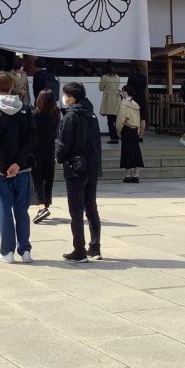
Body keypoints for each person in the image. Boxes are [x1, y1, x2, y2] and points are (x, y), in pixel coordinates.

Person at [0, 71, 37, 264]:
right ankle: (25, 250)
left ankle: (7, 251)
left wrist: (5, 165)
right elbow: (32, 137)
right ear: (12, 85)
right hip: (22, 168)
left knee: (4, 209)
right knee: (22, 210)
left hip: (1, 170)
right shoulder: (24, 109)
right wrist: (18, 163)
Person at [55, 81, 103, 262]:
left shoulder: (70, 117)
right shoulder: (91, 115)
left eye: (65, 95)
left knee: (76, 211)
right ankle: (95, 247)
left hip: (76, 168)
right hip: (92, 166)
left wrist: (59, 158)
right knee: (91, 207)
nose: (63, 98)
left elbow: (63, 143)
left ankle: (79, 250)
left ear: (71, 98)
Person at [32, 89, 59, 223]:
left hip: (36, 151)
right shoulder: (56, 114)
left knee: (37, 180)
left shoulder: (35, 115)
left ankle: (42, 206)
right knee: (48, 179)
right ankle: (46, 204)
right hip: (50, 149)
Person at [117, 85, 144, 183]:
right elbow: (138, 118)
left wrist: (118, 130)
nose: (122, 93)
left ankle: (127, 175)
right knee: (136, 152)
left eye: (123, 91)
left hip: (126, 129)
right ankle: (136, 175)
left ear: (125, 92)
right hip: (134, 130)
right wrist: (139, 131)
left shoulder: (124, 103)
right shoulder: (135, 104)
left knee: (126, 152)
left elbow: (121, 119)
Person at [98, 62, 121, 144]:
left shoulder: (105, 77)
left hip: (109, 100)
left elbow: (100, 88)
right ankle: (117, 136)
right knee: (117, 119)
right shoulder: (117, 77)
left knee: (110, 121)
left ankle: (113, 138)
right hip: (117, 99)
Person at [126, 62, 149, 130]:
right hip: (142, 97)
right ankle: (141, 135)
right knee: (142, 117)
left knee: (133, 116)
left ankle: (135, 132)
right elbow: (144, 87)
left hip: (134, 97)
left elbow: (128, 87)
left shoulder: (132, 77)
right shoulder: (144, 77)